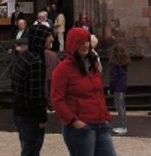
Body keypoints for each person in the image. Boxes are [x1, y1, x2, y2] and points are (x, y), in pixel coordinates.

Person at [51, 26, 115, 156]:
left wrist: (106, 116)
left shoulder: (93, 65)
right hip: (81, 128)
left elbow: (98, 93)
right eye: (80, 42)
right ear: (72, 44)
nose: (85, 45)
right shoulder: (63, 69)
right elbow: (57, 99)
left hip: (101, 124)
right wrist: (74, 121)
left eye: (86, 41)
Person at [12, 20, 50, 156]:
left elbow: (14, 84)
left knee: (27, 148)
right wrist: (42, 117)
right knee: (31, 150)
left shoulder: (24, 56)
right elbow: (36, 93)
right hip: (30, 115)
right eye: (48, 36)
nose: (51, 38)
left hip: (20, 112)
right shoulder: (36, 61)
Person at [109, 43, 130, 135]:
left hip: (117, 87)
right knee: (122, 106)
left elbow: (113, 78)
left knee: (119, 107)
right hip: (123, 86)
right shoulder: (124, 63)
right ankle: (123, 125)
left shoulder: (114, 64)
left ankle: (123, 126)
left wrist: (111, 88)